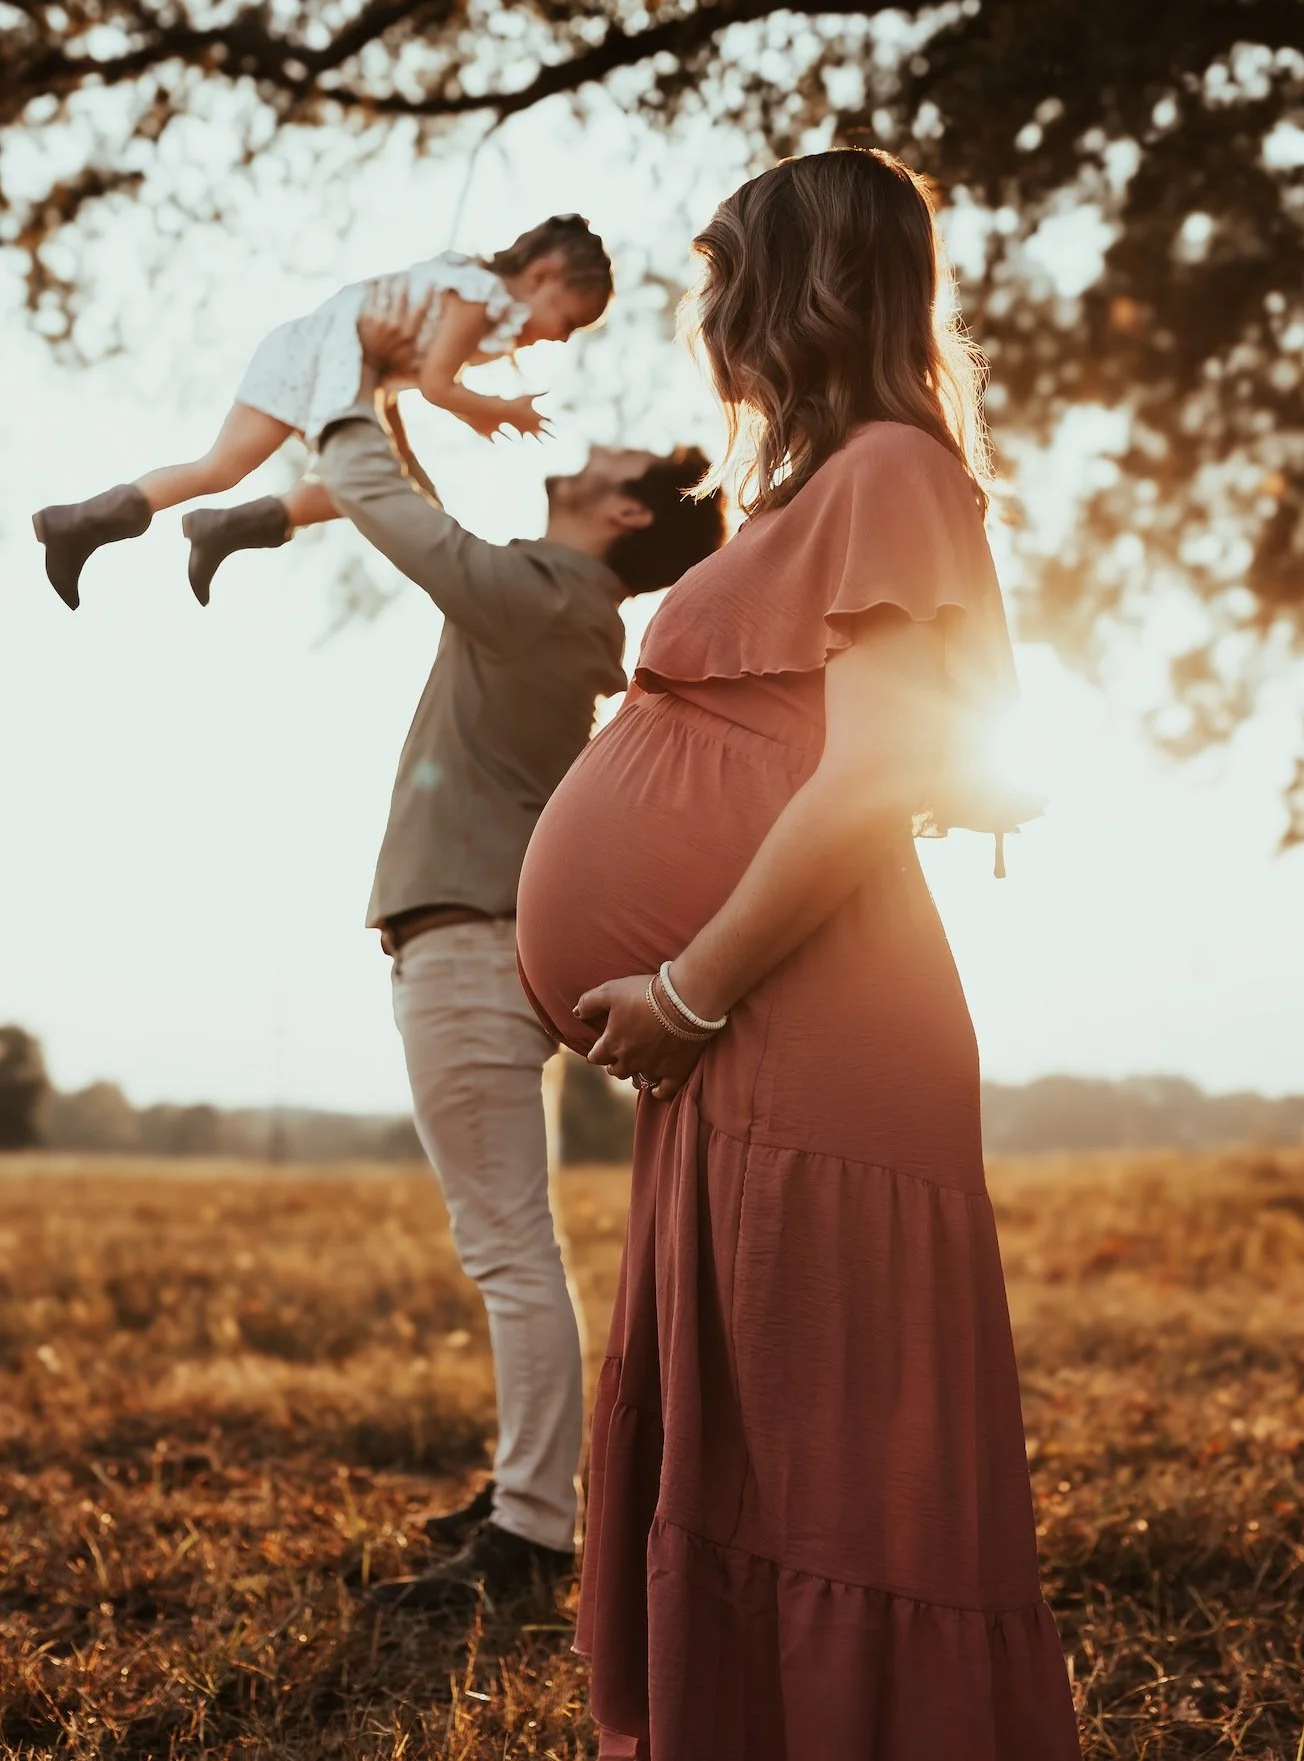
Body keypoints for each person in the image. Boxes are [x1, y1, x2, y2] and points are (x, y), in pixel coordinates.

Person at [514, 149, 1081, 1758]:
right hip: (747, 1030)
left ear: (797, 287)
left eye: (721, 279)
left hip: (792, 1019)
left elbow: (882, 769)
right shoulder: (834, 488)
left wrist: (689, 988)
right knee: (752, 1450)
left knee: (826, 1475)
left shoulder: (895, 467)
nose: (706, 316)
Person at [311, 290, 725, 1618]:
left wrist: (334, 382)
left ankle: (535, 1531)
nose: (594, 446)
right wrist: (385, 396)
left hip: (472, 951)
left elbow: (394, 518)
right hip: (484, 945)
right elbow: (425, 507)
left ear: (618, 518)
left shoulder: (550, 597)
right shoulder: (550, 601)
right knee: (512, 1240)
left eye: (617, 461)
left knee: (506, 1248)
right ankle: (531, 1493)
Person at [31, 215, 612, 609]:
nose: (561, 339)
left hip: (319, 351)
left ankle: (81, 523)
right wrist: (492, 411)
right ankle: (218, 527)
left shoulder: (469, 290)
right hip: (335, 356)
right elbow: (437, 384)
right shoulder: (477, 296)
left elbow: (396, 382)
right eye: (567, 319)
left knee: (222, 468)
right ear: (542, 277)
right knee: (366, 486)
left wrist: (421, 455)